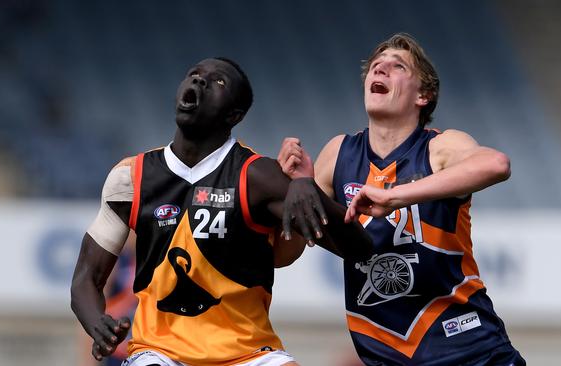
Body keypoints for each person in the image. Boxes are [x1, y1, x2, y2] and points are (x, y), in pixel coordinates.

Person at [70, 57, 371, 366]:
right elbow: (85, 279)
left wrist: (309, 187)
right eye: (194, 74)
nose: (199, 80)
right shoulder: (130, 177)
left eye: (218, 82)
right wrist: (97, 325)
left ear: (234, 115)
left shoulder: (260, 177)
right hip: (159, 353)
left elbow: (359, 247)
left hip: (249, 354)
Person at [277, 33, 526, 365]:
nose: (381, 69)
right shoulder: (338, 153)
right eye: (376, 66)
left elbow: (497, 164)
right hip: (385, 353)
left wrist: (394, 197)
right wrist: (298, 189)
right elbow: (284, 254)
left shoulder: (440, 147)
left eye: (397, 67)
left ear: (423, 95)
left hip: (467, 347)